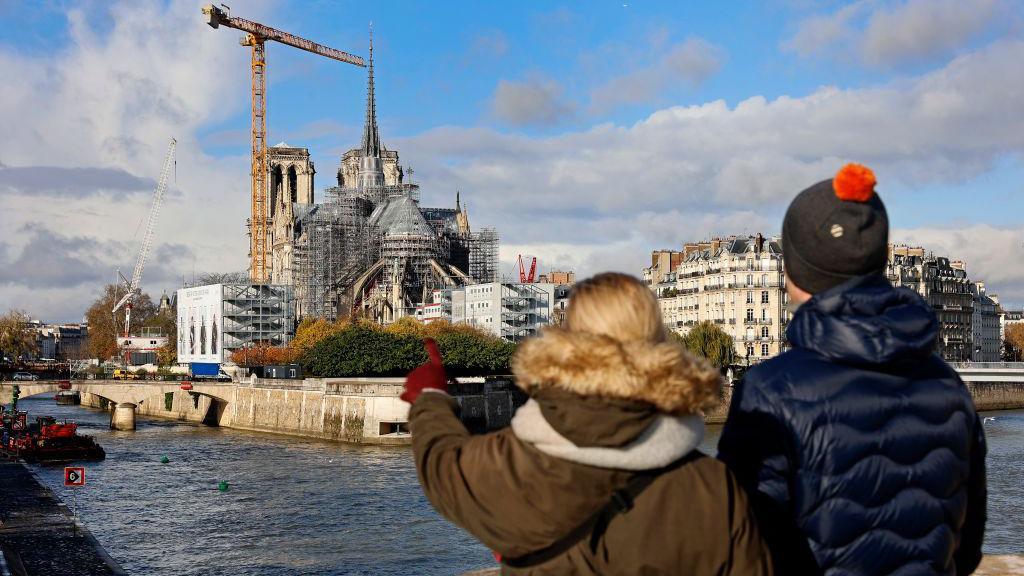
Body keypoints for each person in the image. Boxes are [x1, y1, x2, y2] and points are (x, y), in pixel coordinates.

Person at [403, 272, 773, 575]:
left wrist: (430, 398)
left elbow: (442, 464)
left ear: (568, 344)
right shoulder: (713, 488)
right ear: (658, 344)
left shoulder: (510, 466)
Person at [718, 164, 987, 575]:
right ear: (879, 263)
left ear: (794, 272)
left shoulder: (768, 390)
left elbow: (743, 543)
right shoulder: (948, 387)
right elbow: (965, 550)